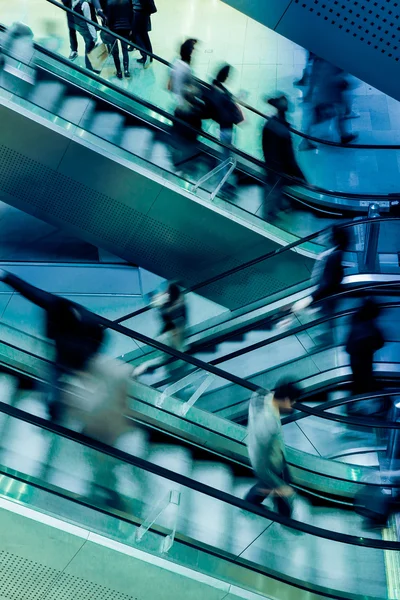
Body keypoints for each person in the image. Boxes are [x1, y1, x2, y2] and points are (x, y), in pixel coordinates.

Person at [0, 270, 104, 423]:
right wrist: (5, 276)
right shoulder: (55, 306)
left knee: (55, 371)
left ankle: (57, 409)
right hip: (69, 353)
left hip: (79, 355)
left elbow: (100, 336)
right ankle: (53, 408)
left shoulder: (87, 324)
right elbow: (30, 291)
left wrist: (88, 360)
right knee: (53, 371)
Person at [245, 379, 300, 517]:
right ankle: (285, 519)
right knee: (284, 493)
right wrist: (280, 486)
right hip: (272, 464)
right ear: (286, 400)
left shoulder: (263, 395)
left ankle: (250, 503)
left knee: (265, 486)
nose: (293, 405)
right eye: (293, 401)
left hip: (274, 456)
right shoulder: (268, 424)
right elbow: (260, 460)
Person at [262, 94, 306, 218]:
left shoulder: (269, 123)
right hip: (278, 169)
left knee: (272, 188)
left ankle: (278, 206)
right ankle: (270, 214)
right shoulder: (283, 132)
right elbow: (289, 158)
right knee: (275, 189)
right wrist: (302, 177)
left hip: (270, 164)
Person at [345, 299, 384, 413]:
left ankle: (355, 407)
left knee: (360, 382)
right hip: (362, 360)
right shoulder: (365, 325)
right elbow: (379, 341)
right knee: (363, 382)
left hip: (358, 360)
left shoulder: (357, 321)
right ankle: (357, 408)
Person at [106, 0, 133, 78]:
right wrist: (130, 27)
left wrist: (109, 28)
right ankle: (126, 70)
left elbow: (109, 18)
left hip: (114, 29)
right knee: (125, 50)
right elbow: (131, 15)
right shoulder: (127, 1)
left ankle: (119, 71)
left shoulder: (110, 2)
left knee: (115, 52)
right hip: (126, 27)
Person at [71, 0, 99, 72]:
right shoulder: (84, 4)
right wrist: (94, 35)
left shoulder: (73, 3)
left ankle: (90, 67)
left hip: (80, 28)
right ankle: (89, 68)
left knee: (88, 46)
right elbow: (88, 21)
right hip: (87, 29)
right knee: (89, 47)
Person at [169, 38, 198, 106]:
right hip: (181, 99)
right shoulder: (186, 68)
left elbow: (169, 83)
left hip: (175, 94)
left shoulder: (175, 62)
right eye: (193, 49)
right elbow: (190, 85)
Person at [132, 0, 157, 68]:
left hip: (139, 11)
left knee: (137, 35)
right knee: (144, 35)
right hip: (144, 10)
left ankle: (145, 55)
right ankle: (149, 56)